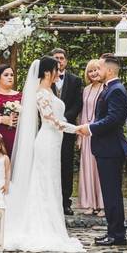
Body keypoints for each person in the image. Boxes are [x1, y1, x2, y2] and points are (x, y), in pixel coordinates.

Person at [4, 57, 83, 252]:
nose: (59, 72)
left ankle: (52, 224)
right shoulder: (40, 93)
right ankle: (42, 226)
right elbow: (50, 120)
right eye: (57, 69)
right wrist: (77, 129)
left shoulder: (50, 91)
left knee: (52, 182)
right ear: (48, 72)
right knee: (44, 182)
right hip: (47, 141)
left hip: (55, 142)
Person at [77, 56, 127, 247]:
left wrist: (90, 128)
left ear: (109, 70)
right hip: (105, 148)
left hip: (111, 148)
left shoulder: (116, 90)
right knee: (109, 193)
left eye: (99, 67)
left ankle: (117, 235)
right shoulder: (110, 88)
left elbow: (114, 119)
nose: (96, 71)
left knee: (112, 193)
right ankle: (113, 232)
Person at [51, 48, 83, 215]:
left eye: (61, 58)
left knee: (66, 165)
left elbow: (78, 103)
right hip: (49, 130)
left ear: (66, 61)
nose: (59, 61)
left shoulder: (75, 80)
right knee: (50, 165)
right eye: (55, 58)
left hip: (67, 129)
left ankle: (65, 202)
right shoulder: (44, 80)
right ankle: (50, 201)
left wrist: (63, 119)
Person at [76, 59, 105, 215]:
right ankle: (89, 203)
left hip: (99, 131)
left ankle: (102, 204)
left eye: (96, 70)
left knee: (99, 168)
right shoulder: (86, 89)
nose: (93, 73)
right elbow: (81, 113)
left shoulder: (105, 88)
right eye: (90, 71)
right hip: (86, 132)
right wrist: (80, 136)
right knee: (86, 167)